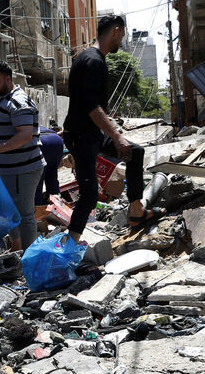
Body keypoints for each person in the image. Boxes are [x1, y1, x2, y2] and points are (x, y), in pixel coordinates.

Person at [63, 14, 163, 240]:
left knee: (135, 152)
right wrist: (116, 136)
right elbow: (91, 106)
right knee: (89, 196)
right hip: (82, 136)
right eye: (122, 35)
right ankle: (70, 245)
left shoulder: (88, 57)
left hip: (90, 133)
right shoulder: (94, 61)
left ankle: (136, 212)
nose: (122, 41)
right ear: (116, 31)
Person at [0, 61, 46, 251]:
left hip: (22, 169)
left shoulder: (17, 101)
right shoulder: (5, 98)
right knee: (10, 213)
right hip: (11, 169)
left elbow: (25, 135)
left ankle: (29, 256)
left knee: (24, 215)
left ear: (8, 79)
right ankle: (19, 250)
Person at [35, 127, 64, 206]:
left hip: (42, 142)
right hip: (57, 140)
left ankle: (37, 209)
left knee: (37, 182)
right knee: (52, 177)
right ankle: (57, 206)